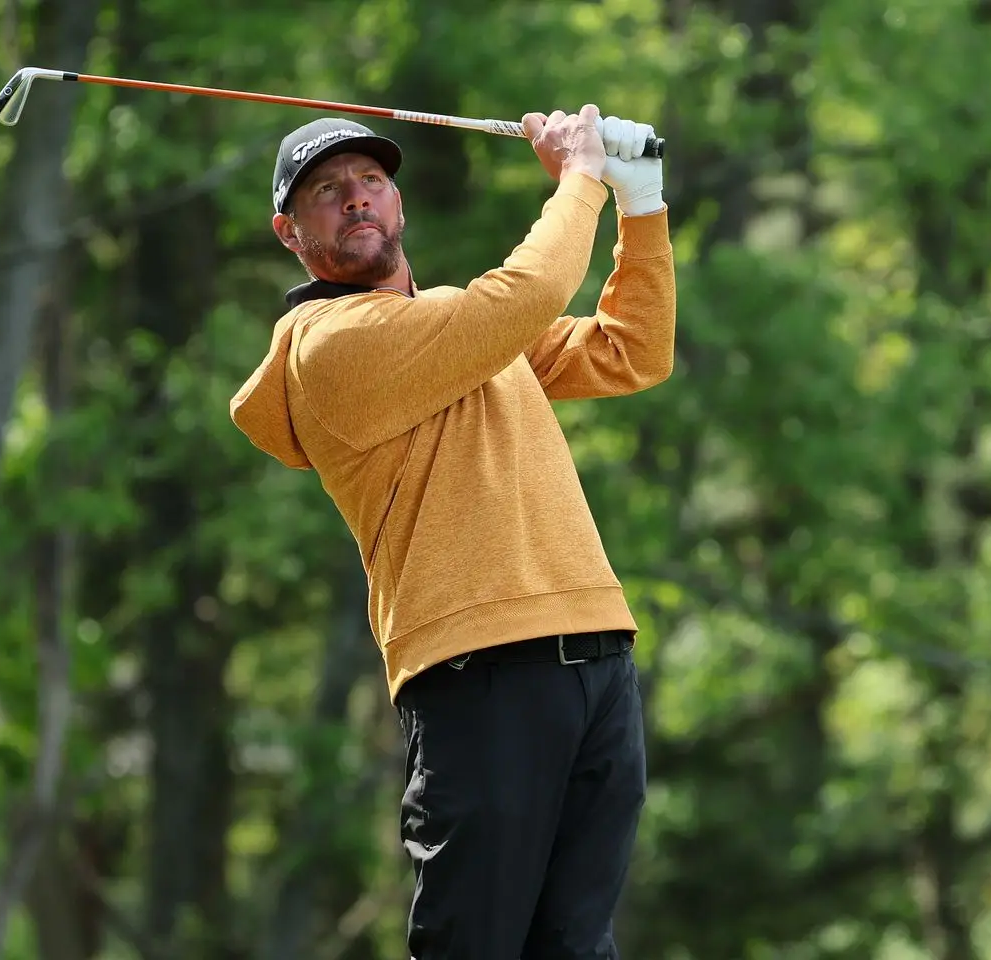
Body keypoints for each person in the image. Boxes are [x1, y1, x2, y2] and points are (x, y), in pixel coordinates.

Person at [231, 103, 675, 959]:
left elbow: (634, 350)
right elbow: (527, 294)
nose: (356, 199)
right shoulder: (330, 345)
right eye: (327, 192)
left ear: (398, 205)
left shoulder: (464, 329)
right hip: (478, 673)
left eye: (370, 181)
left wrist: (643, 204)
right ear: (290, 233)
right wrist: (584, 177)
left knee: (578, 946)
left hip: (596, 659)